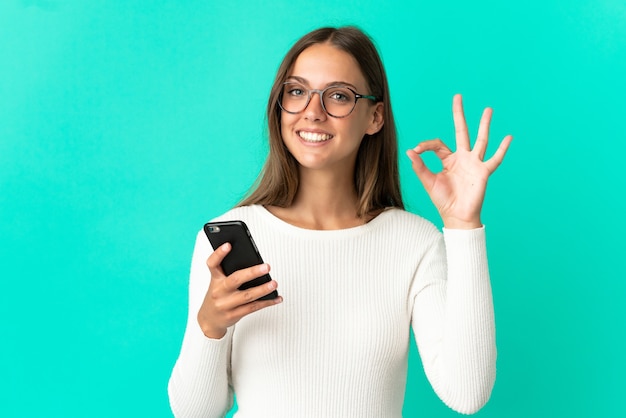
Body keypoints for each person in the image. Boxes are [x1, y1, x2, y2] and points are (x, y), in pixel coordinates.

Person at [168, 26, 512, 418]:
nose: (312, 111)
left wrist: (463, 226)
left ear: (375, 116)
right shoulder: (228, 240)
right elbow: (194, 413)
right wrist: (209, 326)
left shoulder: (414, 241)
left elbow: (467, 393)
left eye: (337, 96)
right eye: (297, 91)